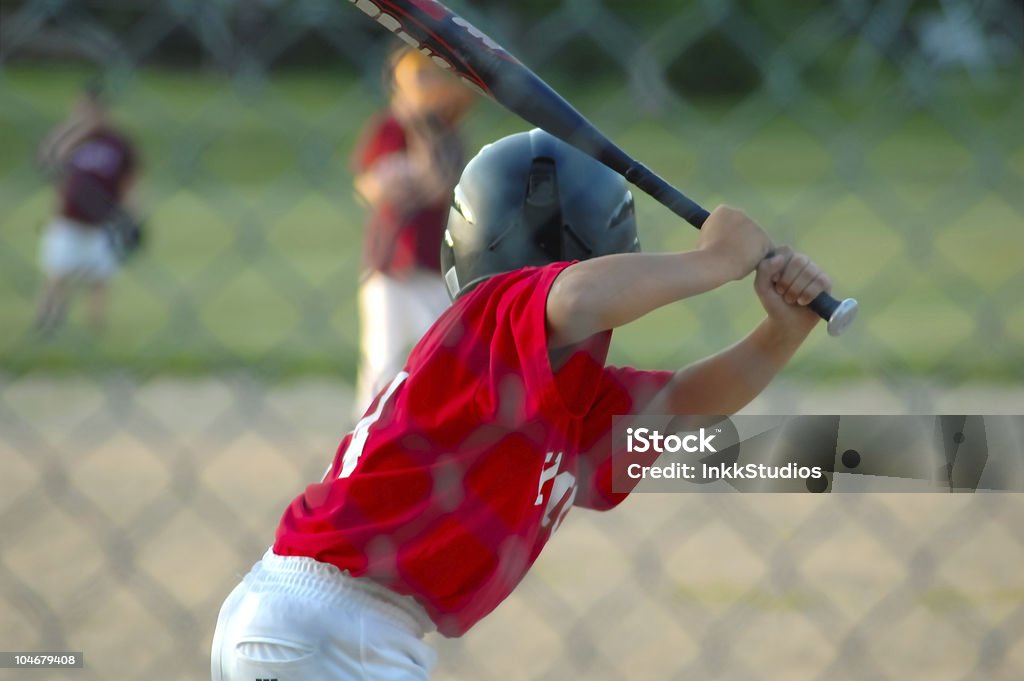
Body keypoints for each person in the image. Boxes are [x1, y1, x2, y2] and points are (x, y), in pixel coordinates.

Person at [211, 129, 834, 680]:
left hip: (325, 628)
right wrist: (715, 261)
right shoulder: (483, 322)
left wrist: (782, 332)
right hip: (337, 628)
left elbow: (681, 402)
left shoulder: (569, 398)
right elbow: (576, 299)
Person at [350, 46, 475, 418]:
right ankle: (366, 434)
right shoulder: (388, 127)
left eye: (433, 77)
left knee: (438, 352)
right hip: (387, 260)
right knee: (382, 355)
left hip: (433, 263)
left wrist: (422, 128)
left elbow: (435, 186)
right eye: (419, 78)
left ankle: (435, 428)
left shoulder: (448, 131)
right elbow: (370, 187)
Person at [33, 82, 139, 335]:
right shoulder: (71, 138)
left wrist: (132, 215)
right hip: (68, 219)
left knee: (100, 279)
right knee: (57, 274)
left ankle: (94, 329)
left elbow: (130, 180)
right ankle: (47, 323)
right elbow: (46, 159)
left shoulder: (118, 144)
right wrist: (75, 130)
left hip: (103, 222)